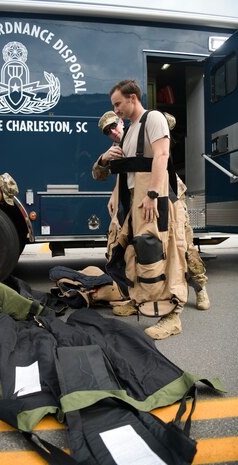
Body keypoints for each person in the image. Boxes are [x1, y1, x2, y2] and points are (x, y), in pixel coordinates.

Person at [91, 79, 191, 340]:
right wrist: (115, 195)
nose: (116, 110)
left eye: (118, 104)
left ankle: (173, 316)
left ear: (133, 97)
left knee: (168, 253)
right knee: (137, 252)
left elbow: (161, 156)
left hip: (153, 197)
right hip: (134, 200)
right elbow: (127, 168)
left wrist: (152, 195)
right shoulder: (130, 130)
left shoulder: (153, 118)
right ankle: (139, 300)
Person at [93, 111, 210, 312]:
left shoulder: (144, 127)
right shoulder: (117, 149)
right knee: (143, 248)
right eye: (108, 131)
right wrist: (104, 160)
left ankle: (200, 287)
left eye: (114, 126)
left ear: (121, 121)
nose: (113, 132)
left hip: (168, 195)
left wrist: (149, 119)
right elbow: (103, 174)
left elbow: (168, 123)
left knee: (182, 244)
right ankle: (147, 297)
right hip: (140, 202)